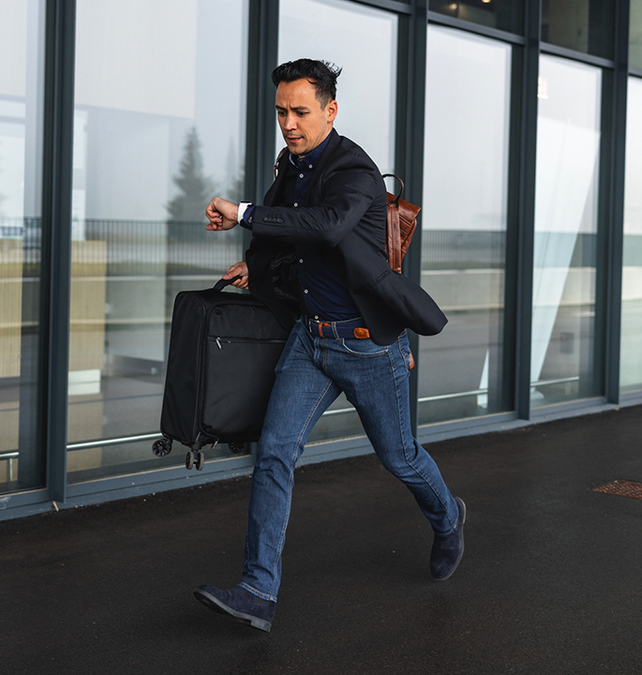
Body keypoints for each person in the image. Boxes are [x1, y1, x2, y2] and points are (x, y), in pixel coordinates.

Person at [194, 59, 465, 633]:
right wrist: (255, 260)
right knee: (274, 453)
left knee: (400, 457)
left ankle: (448, 516)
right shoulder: (290, 168)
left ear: (329, 110)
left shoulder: (354, 169)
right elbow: (289, 236)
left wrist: (242, 212)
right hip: (311, 339)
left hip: (367, 347)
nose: (289, 123)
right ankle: (257, 592)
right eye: (281, 112)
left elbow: (325, 227)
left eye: (300, 111)